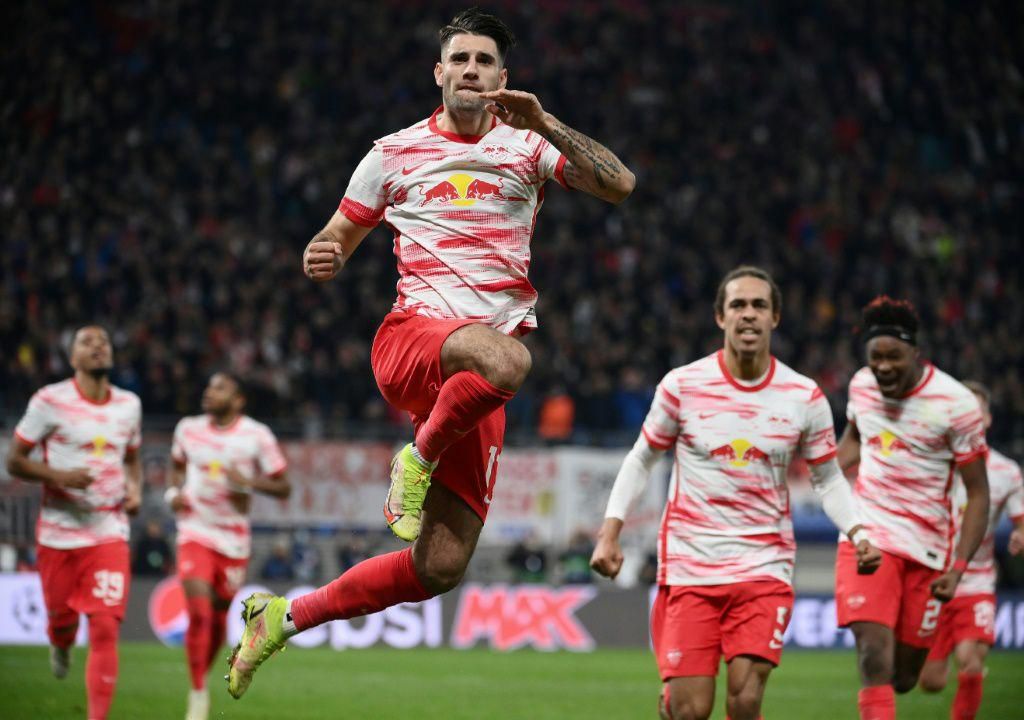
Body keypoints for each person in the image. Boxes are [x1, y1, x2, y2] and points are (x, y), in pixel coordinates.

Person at [226, 6, 634, 698]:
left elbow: (619, 185)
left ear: (503, 78)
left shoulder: (527, 148)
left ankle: (283, 616)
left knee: (440, 566)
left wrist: (545, 122)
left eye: (485, 61)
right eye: (461, 59)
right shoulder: (390, 154)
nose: (472, 70)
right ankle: (414, 461)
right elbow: (334, 239)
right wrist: (319, 254)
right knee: (509, 360)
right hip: (414, 342)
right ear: (439, 72)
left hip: (476, 383)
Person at [589, 267, 880, 720]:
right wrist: (611, 533)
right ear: (720, 318)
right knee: (690, 711)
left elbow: (826, 477)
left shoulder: (804, 396)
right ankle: (673, 702)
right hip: (690, 566)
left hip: (764, 566)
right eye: (738, 306)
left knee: (745, 702)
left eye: (759, 305)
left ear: (775, 317)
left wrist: (859, 529)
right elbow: (642, 458)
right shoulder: (682, 385)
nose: (749, 315)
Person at [835, 297, 990, 720]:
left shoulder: (955, 405)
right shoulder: (861, 385)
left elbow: (978, 493)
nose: (882, 367)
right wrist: (822, 468)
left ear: (915, 353)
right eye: (875, 358)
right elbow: (855, 437)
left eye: (893, 357)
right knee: (873, 655)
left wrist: (958, 568)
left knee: (903, 677)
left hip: (927, 549)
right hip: (869, 536)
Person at [5, 325, 143, 720]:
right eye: (87, 341)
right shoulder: (49, 401)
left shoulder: (129, 404)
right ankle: (60, 642)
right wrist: (60, 478)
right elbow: (14, 461)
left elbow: (131, 457)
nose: (99, 345)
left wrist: (132, 490)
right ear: (72, 359)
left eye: (104, 340)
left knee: (104, 627)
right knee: (62, 624)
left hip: (108, 530)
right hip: (59, 533)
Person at [166, 372, 289, 719]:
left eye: (219, 388)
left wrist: (248, 482)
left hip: (233, 540)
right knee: (199, 613)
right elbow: (176, 468)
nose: (209, 392)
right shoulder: (187, 428)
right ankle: (198, 693)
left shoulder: (257, 435)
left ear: (238, 400)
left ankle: (200, 679)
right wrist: (174, 493)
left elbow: (284, 487)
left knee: (218, 619)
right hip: (194, 530)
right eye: (208, 386)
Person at [918, 381, 1024, 720]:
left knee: (970, 660)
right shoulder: (932, 461)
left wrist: (1021, 532)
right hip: (933, 580)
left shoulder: (1006, 471)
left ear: (988, 419)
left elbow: (1021, 517)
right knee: (930, 682)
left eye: (976, 411)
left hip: (976, 580)